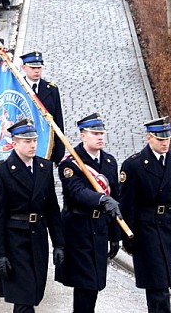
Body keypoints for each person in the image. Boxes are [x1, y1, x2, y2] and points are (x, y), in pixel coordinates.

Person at [119, 116, 171, 313]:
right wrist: (126, 235)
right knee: (157, 283)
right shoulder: (134, 165)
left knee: (163, 280)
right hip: (145, 228)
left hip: (167, 226)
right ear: (149, 138)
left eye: (167, 139)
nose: (165, 143)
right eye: (160, 139)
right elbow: (126, 204)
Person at [0, 119, 65, 313]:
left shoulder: (44, 168)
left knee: (34, 294)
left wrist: (59, 244)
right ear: (14, 143)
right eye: (26, 141)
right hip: (15, 241)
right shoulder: (1, 172)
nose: (32, 145)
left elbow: (52, 209)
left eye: (34, 140)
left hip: (37, 237)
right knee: (24, 297)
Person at [55, 113, 122, 313]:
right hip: (78, 230)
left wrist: (115, 236)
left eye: (102, 133)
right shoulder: (70, 163)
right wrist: (101, 199)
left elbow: (115, 200)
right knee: (85, 286)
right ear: (83, 135)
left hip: (100, 230)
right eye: (95, 133)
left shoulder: (109, 162)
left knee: (95, 285)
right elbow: (76, 192)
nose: (100, 137)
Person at [21, 52, 65, 164]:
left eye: (39, 67)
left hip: (45, 146)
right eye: (33, 67)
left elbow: (57, 120)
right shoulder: (19, 88)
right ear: (24, 67)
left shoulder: (51, 89)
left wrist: (59, 150)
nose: (37, 71)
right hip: (23, 146)